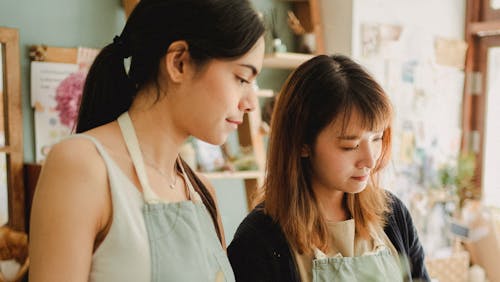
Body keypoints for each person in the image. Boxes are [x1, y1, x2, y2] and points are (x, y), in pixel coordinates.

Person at [29, 0, 265, 281]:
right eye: (241, 78)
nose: (250, 102)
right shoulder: (81, 166)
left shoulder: (203, 193)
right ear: (179, 63)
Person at [228, 54, 430, 282]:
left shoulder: (393, 216)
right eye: (350, 145)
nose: (370, 161)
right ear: (302, 143)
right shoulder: (259, 241)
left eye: (377, 138)